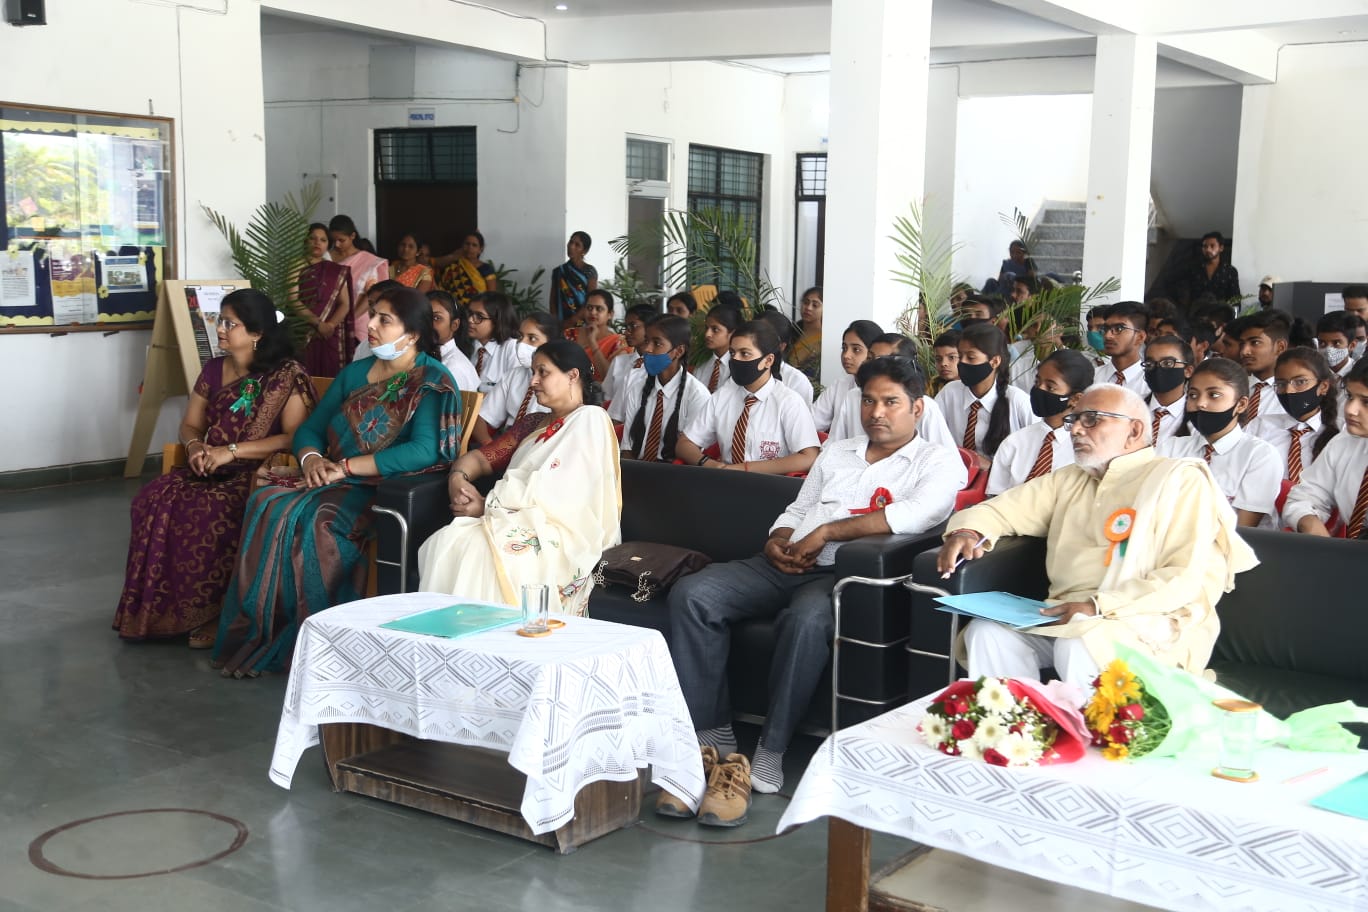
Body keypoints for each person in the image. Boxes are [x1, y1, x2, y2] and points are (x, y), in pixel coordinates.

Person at [664, 357, 967, 817]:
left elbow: (914, 515)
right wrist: (778, 540)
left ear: (918, 408)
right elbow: (798, 508)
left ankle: (772, 748)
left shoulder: (937, 461)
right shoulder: (839, 451)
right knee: (694, 594)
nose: (876, 412)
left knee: (805, 621)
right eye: (868, 401)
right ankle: (712, 732)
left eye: (891, 402)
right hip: (787, 562)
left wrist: (826, 533)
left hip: (842, 577)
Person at [212, 287, 461, 677]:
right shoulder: (356, 373)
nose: (371, 325)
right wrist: (311, 458)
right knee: (267, 502)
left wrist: (345, 467)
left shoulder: (431, 379)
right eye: (372, 314)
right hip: (332, 476)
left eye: (384, 320)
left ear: (412, 334)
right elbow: (309, 429)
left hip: (387, 488)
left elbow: (424, 451)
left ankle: (322, 643)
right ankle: (267, 633)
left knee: (318, 520)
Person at [938, 383, 1258, 687]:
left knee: (1082, 639)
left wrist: (1098, 606)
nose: (1076, 429)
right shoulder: (1070, 479)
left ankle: (1094, 728)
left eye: (1092, 419)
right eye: (1074, 420)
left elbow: (1183, 576)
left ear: (1134, 431)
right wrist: (968, 531)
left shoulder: (1178, 480)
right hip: (1066, 615)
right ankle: (1019, 723)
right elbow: (1003, 509)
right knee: (987, 633)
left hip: (1148, 619)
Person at [115, 290, 315, 644]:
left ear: (257, 333)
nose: (219, 329)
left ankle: (218, 613)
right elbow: (191, 424)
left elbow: (292, 438)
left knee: (207, 511)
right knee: (152, 499)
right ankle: (164, 609)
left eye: (229, 323)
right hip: (209, 466)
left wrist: (231, 452)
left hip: (256, 473)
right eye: (219, 321)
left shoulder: (286, 374)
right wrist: (195, 447)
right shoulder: (212, 369)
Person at [418, 340, 621, 616]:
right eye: (532, 372)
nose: (533, 381)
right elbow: (479, 459)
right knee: (449, 539)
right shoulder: (533, 422)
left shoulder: (591, 419)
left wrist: (486, 506)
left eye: (543, 372)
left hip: (559, 531)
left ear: (573, 375)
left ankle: (494, 637)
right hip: (513, 518)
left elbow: (561, 494)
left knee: (481, 548)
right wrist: (458, 479)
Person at [676, 320, 820, 476]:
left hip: (770, 483)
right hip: (725, 480)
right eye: (732, 353)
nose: (736, 359)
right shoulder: (723, 396)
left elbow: (809, 457)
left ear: (768, 360)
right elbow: (684, 444)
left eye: (744, 354)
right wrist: (709, 464)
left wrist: (745, 469)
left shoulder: (788, 401)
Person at [1157, 358, 1281, 527]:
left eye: (1214, 395)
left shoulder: (1260, 455)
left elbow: (1243, 529)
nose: (1200, 403)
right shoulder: (1171, 447)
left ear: (1241, 404)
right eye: (1193, 395)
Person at [986, 349, 1092, 496]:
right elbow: (995, 496)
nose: (1039, 390)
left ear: (1075, 399)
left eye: (1050, 387)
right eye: (1037, 382)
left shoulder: (1087, 448)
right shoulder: (1015, 442)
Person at [828, 334, 957, 450]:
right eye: (869, 358)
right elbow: (833, 446)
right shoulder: (853, 396)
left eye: (880, 361)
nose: (876, 413)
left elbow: (946, 458)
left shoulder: (926, 407)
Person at [1285, 359, 1368, 537]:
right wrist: (1310, 523)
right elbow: (1305, 497)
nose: (1350, 409)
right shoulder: (1344, 443)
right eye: (1350, 397)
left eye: (1366, 402)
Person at [936, 322, 1032, 465]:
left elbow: (1036, 449)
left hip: (1004, 477)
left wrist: (992, 467)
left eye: (971, 357)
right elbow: (932, 436)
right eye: (960, 356)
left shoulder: (1017, 401)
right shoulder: (950, 392)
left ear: (994, 361)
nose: (962, 362)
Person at [620, 315, 711, 461]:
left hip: (675, 471)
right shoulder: (638, 388)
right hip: (637, 467)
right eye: (647, 341)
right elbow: (627, 448)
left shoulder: (697, 395)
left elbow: (690, 455)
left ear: (679, 351)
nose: (647, 349)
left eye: (657, 343)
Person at [1246, 347, 1339, 486]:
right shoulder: (1260, 426)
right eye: (1281, 384)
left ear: (1323, 386)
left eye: (1300, 382)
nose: (1288, 391)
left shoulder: (1339, 434)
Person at [471, 310, 557, 446]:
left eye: (532, 338)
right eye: (520, 337)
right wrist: (491, 449)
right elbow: (481, 418)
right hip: (506, 441)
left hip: (540, 446)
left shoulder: (561, 382)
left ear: (552, 343)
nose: (522, 343)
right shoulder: (513, 375)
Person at [294, 222, 354, 377]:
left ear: (328, 244)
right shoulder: (296, 266)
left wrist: (330, 325)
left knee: (329, 375)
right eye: (312, 238)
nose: (317, 242)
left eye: (323, 240)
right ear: (305, 241)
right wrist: (318, 324)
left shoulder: (335, 270)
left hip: (329, 333)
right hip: (304, 331)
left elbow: (345, 304)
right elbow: (293, 300)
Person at [328, 214, 389, 360]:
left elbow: (371, 296)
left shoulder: (368, 261)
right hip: (328, 323)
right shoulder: (326, 257)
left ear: (352, 236)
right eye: (333, 240)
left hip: (358, 322)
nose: (337, 245)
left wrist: (349, 320)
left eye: (341, 240)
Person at [812, 320, 882, 432]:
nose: (846, 355)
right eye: (844, 348)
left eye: (856, 350)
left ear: (873, 353)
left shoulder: (886, 390)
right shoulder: (840, 385)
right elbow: (811, 423)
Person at [1236, 308, 1291, 423]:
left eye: (1255, 342)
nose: (1244, 351)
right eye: (1242, 344)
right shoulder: (1234, 388)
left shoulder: (1292, 394)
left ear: (1280, 347)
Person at [565, 288, 630, 384]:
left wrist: (593, 343)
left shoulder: (619, 342)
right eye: (589, 308)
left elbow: (609, 378)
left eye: (599, 309)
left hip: (599, 392)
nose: (593, 312)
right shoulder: (570, 334)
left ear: (610, 314)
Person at [1143, 335, 1195, 446]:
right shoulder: (1131, 407)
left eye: (1167, 363)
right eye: (1150, 364)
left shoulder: (1197, 418)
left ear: (1188, 371)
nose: (1157, 369)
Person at [604, 303, 655, 413]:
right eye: (626, 327)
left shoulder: (660, 365)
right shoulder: (619, 362)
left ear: (650, 327)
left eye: (633, 326)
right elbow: (606, 397)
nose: (627, 332)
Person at [1094, 301, 1151, 399]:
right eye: (1105, 329)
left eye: (1119, 328)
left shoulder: (1150, 383)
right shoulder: (1092, 378)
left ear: (1140, 337)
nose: (1108, 336)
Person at [758, 309, 815, 407]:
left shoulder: (797, 381)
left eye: (762, 338)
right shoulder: (739, 373)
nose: (753, 342)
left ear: (781, 346)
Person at [468, 290, 521, 395]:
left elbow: (515, 393)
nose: (470, 320)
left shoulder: (512, 348)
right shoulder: (466, 346)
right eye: (469, 314)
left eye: (479, 316)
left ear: (497, 321)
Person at [427, 290, 479, 394]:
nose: (428, 324)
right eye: (424, 317)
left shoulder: (453, 368)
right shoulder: (429, 356)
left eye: (437, 318)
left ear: (454, 325)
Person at [432, 230, 499, 309]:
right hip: (451, 307)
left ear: (480, 250)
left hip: (476, 309)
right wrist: (453, 256)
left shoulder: (486, 268)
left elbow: (491, 294)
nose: (470, 247)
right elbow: (435, 263)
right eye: (467, 244)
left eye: (474, 245)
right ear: (462, 246)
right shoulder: (454, 264)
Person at [548, 230, 597, 326]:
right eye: (571, 242)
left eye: (577, 245)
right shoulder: (558, 271)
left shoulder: (589, 271)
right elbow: (553, 300)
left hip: (582, 323)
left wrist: (572, 320)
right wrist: (555, 322)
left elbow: (591, 301)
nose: (571, 246)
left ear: (584, 251)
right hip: (560, 323)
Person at [693, 302, 742, 394]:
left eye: (715, 329)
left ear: (732, 333)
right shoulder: (701, 365)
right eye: (706, 328)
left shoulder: (740, 366)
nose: (707, 334)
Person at [1184, 231, 1241, 306]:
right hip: (1198, 311)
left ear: (1221, 248)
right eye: (1205, 246)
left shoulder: (1230, 271)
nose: (1208, 249)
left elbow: (1235, 299)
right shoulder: (1193, 269)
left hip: (1222, 312)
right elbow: (1186, 295)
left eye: (1212, 246)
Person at [789, 286, 823, 383]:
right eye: (806, 302)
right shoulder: (793, 330)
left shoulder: (823, 339)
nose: (808, 308)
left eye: (815, 305)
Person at [1315, 311, 1356, 384]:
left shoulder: (1361, 374)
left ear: (1351, 345)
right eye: (1322, 343)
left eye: (1336, 343)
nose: (1328, 349)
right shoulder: (1312, 372)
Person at [930, 329, 961, 396]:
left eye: (951, 357)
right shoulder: (933, 385)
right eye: (938, 359)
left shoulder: (974, 387)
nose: (943, 364)